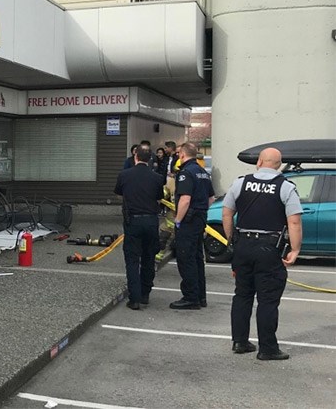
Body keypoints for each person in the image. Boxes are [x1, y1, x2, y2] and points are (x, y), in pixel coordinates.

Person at [222, 147, 302, 360]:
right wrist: (295, 249)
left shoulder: (240, 183)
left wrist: (232, 241)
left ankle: (239, 341)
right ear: (278, 164)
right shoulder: (286, 187)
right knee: (267, 299)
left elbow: (227, 212)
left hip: (243, 247)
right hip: (269, 248)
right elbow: (294, 221)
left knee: (242, 295)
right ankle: (267, 348)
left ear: (259, 162)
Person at [114, 146, 165, 310]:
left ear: (135, 157)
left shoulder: (124, 175)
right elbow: (159, 197)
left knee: (132, 259)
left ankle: (134, 298)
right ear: (150, 159)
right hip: (151, 221)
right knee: (149, 257)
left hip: (133, 221)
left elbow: (119, 193)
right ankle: (145, 294)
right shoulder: (157, 178)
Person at [170, 142, 215, 310]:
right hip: (200, 219)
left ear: (182, 155)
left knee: (186, 258)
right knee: (197, 259)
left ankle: (190, 297)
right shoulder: (203, 172)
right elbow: (211, 198)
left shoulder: (186, 173)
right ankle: (200, 296)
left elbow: (185, 199)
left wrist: (178, 221)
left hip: (188, 221)